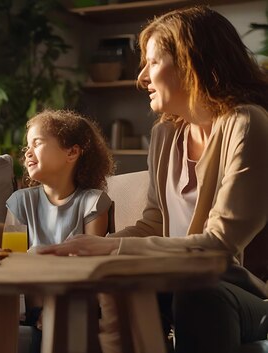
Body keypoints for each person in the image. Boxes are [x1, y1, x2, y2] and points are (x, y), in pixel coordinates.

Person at [35, 6, 268, 353]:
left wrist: (111, 246)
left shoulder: (247, 124)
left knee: (199, 292)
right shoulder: (165, 136)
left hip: (245, 292)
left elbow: (219, 245)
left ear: (192, 63)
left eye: (152, 62)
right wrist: (83, 248)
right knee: (90, 285)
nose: (141, 77)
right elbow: (153, 224)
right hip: (175, 281)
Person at [0, 109, 114, 352]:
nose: (27, 152)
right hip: (35, 303)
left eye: (37, 143)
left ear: (72, 152)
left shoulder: (94, 202)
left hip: (75, 299)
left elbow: (89, 263)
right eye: (27, 145)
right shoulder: (20, 201)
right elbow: (13, 256)